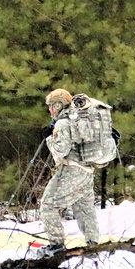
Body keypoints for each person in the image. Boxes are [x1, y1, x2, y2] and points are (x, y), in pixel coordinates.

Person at [38, 88, 100, 256]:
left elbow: (61, 150)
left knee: (48, 205)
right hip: (87, 171)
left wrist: (49, 138)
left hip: (72, 171)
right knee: (85, 209)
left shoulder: (63, 123)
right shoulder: (79, 119)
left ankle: (56, 246)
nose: (50, 110)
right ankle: (93, 246)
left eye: (52, 106)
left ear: (59, 105)